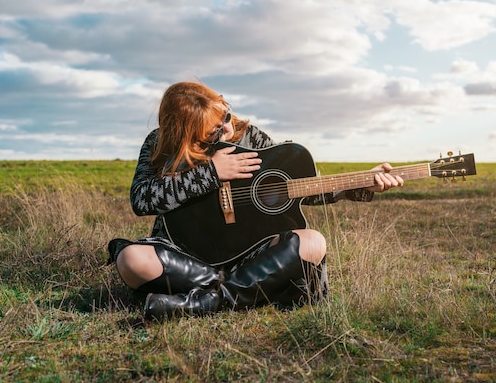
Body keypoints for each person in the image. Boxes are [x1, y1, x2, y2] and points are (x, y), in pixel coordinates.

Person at [108, 81, 403, 320]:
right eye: (213, 131)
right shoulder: (159, 143)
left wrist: (363, 184)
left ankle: (206, 301)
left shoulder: (250, 137)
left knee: (313, 241)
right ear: (187, 135)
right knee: (132, 259)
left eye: (224, 115)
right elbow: (141, 199)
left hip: (253, 254)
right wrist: (211, 173)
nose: (227, 129)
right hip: (189, 256)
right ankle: (255, 288)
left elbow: (293, 187)